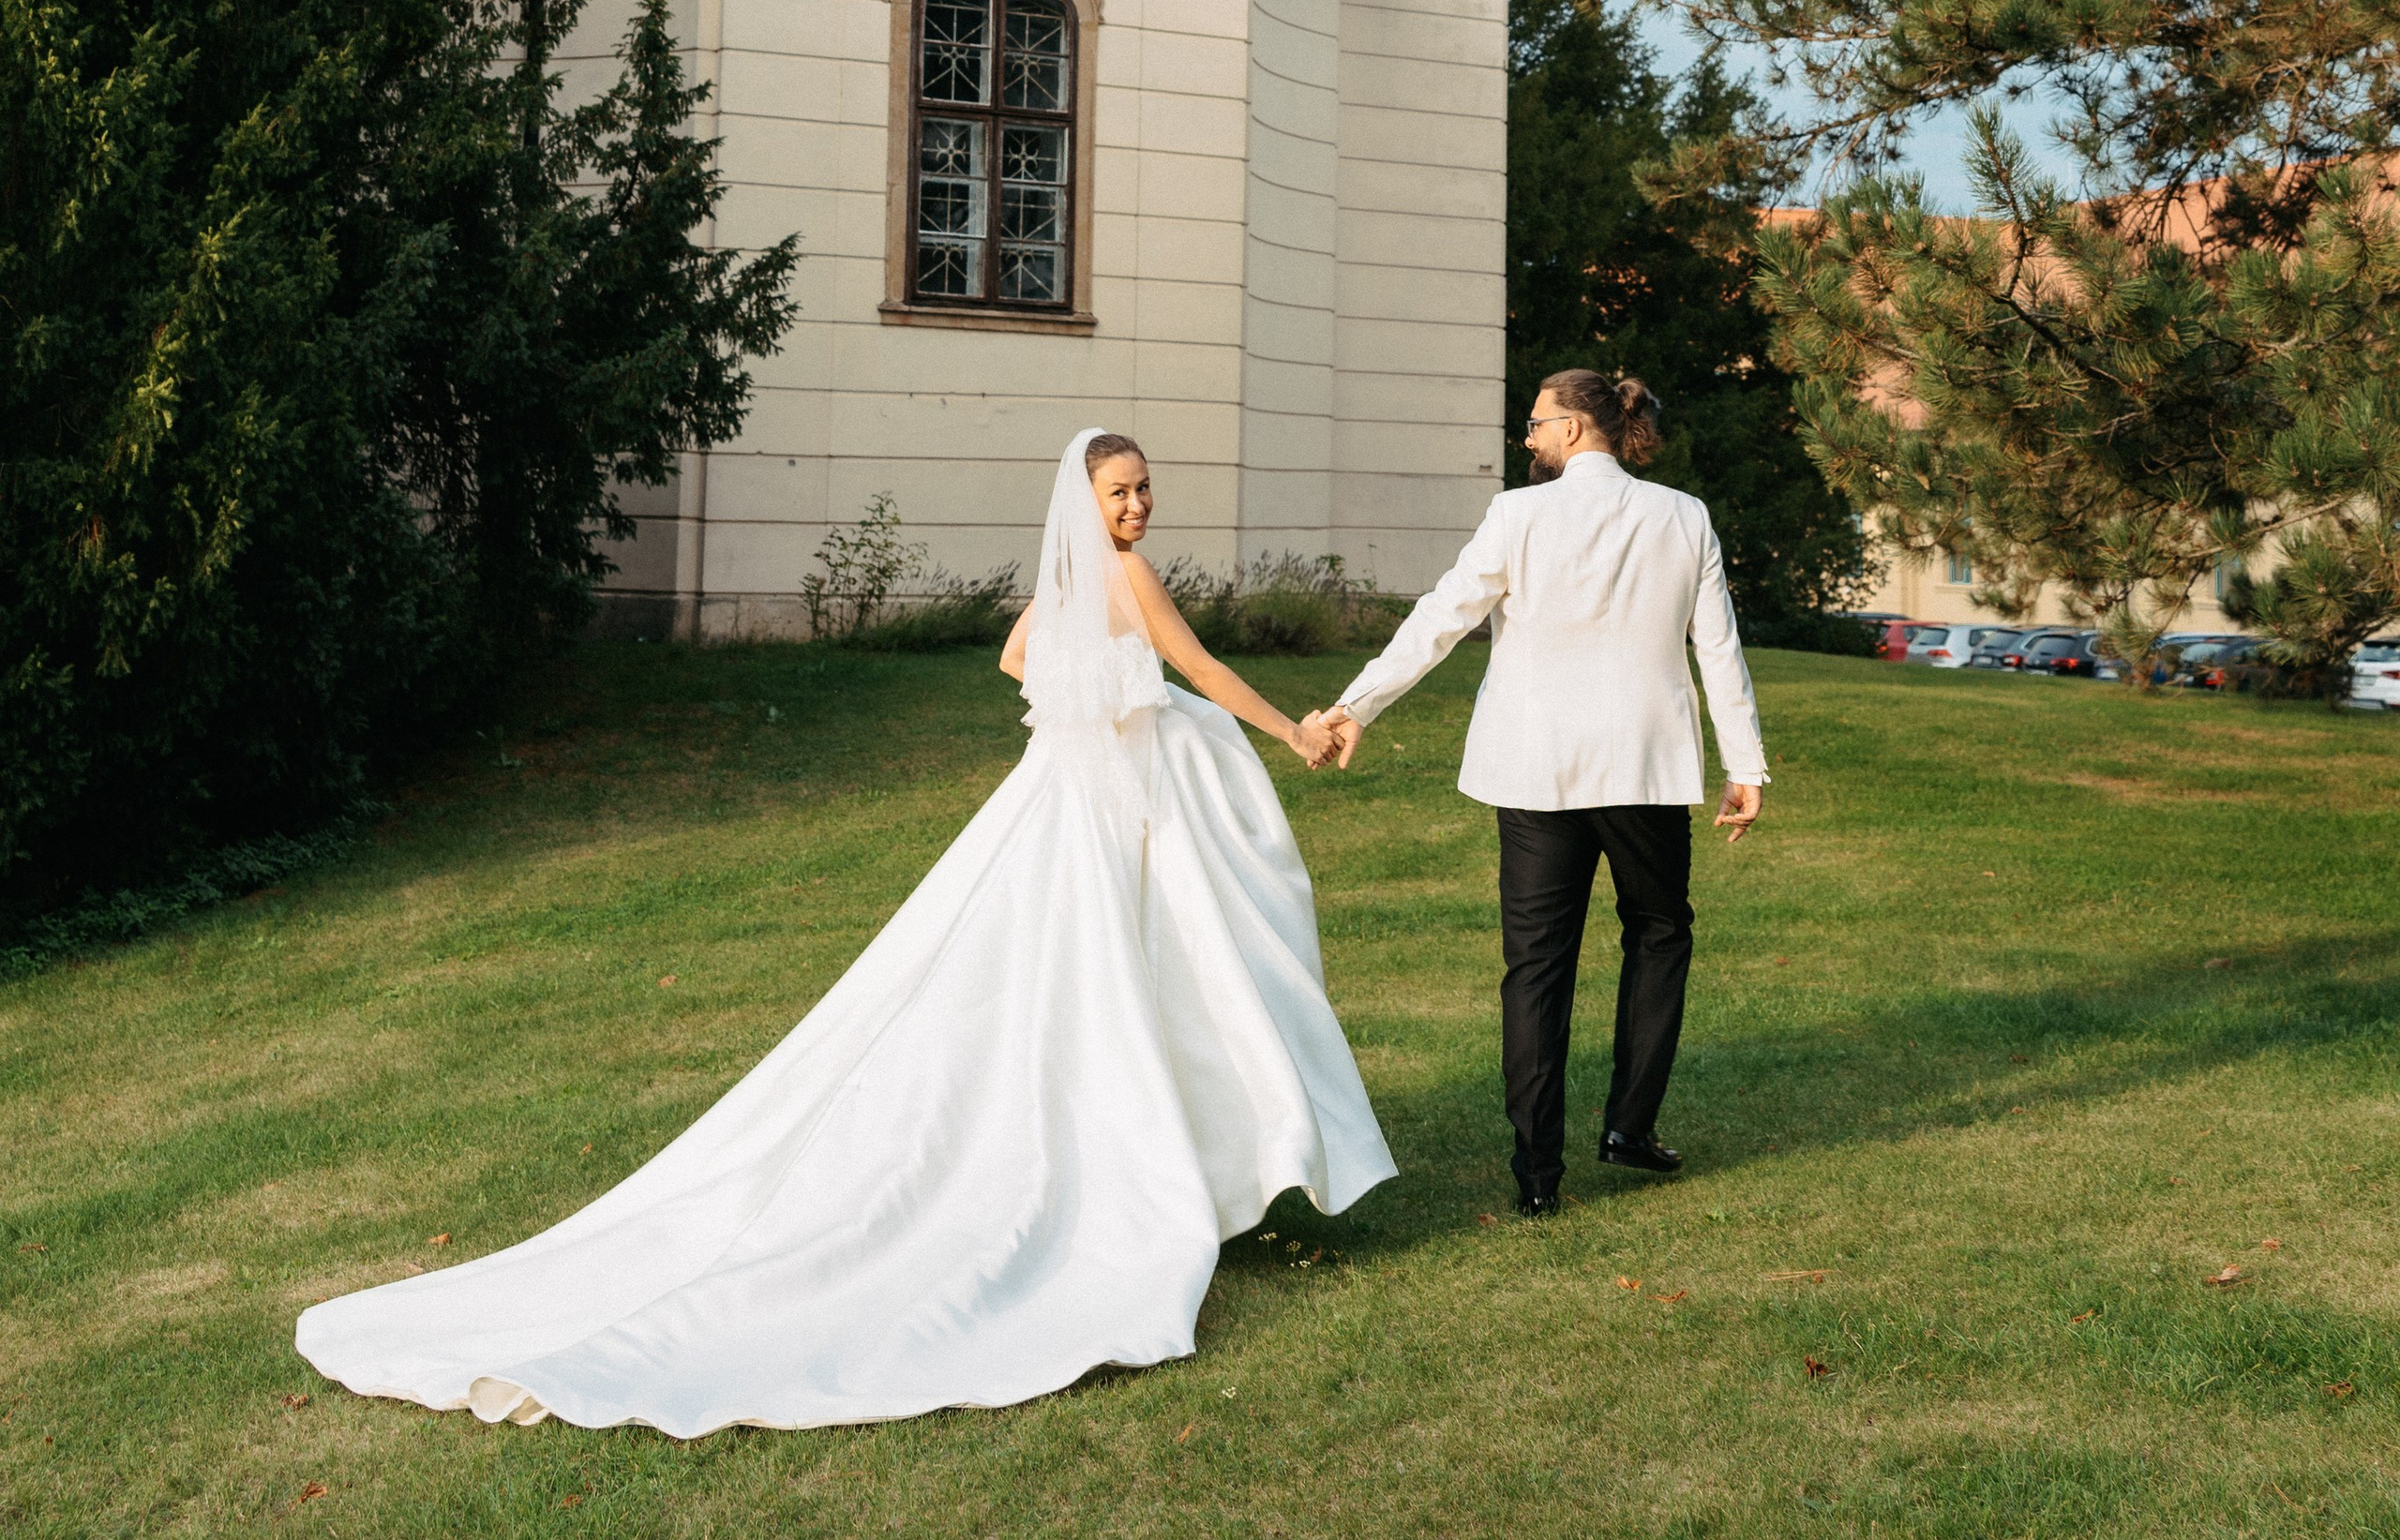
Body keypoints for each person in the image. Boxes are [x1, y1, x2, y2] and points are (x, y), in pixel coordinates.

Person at [296, 431, 1392, 1435]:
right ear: (1086, 500)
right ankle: (1139, 1175)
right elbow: (1195, 669)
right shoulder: (1126, 578)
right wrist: (1285, 727)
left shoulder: (1063, 582)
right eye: (1120, 491)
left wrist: (1100, 692)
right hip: (1101, 818)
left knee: (1054, 991)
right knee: (1132, 985)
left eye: (1145, 489)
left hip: (1057, 810)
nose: (1139, 506)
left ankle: (1140, 1160)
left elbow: (1018, 660)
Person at [1303, 369, 1766, 1215]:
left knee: (1537, 968)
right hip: (1642, 768)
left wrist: (1354, 705)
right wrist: (1746, 766)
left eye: (1536, 423)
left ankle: (1538, 1177)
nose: (1527, 438)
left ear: (1578, 430)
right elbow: (1719, 650)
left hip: (1535, 766)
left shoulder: (1519, 516)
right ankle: (1629, 1126)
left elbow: (1441, 617)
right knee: (1660, 934)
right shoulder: (1682, 516)